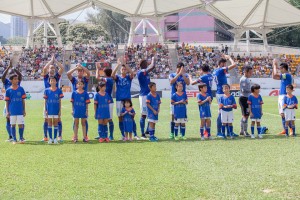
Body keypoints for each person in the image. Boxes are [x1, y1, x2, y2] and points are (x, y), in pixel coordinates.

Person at [112, 57, 139, 140]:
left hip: (127, 100)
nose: (123, 70)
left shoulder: (128, 78)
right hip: (119, 100)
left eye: (124, 69)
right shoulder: (118, 78)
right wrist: (118, 65)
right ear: (120, 70)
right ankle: (123, 135)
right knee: (120, 117)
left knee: (131, 117)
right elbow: (112, 75)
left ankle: (135, 134)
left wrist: (125, 64)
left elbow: (133, 73)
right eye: (122, 69)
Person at [213, 55, 237, 138]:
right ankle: (219, 132)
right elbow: (234, 65)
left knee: (225, 112)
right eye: (224, 64)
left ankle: (228, 132)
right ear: (221, 64)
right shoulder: (220, 70)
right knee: (221, 113)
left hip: (220, 92)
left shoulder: (215, 71)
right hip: (221, 93)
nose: (225, 66)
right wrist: (229, 58)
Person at [42, 55, 64, 142]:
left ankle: (59, 136)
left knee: (58, 118)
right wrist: (51, 62)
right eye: (50, 68)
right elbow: (44, 68)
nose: (51, 69)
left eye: (53, 68)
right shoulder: (46, 76)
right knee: (46, 119)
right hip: (47, 100)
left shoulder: (56, 77)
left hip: (55, 100)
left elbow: (62, 68)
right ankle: (45, 136)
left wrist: (55, 62)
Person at [2, 55, 22, 142]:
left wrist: (14, 68)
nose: (15, 79)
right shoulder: (6, 82)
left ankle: (20, 137)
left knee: (19, 121)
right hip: (8, 104)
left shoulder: (18, 82)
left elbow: (20, 75)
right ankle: (10, 136)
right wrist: (8, 67)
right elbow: (3, 77)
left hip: (17, 104)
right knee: (8, 119)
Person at [67, 64, 91, 138]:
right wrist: (76, 68)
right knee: (75, 121)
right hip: (76, 100)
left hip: (84, 100)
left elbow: (89, 73)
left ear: (83, 72)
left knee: (84, 121)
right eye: (78, 71)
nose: (80, 72)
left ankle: (85, 136)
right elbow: (68, 73)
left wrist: (82, 67)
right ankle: (75, 136)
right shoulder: (74, 80)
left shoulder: (85, 79)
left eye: (81, 71)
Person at [191, 64, 213, 138]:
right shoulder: (211, 75)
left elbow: (192, 83)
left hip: (205, 95)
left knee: (204, 116)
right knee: (207, 116)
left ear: (202, 70)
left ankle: (205, 133)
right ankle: (206, 133)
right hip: (210, 95)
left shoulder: (203, 77)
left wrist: (190, 78)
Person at [169, 62, 190, 139]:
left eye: (182, 68)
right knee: (173, 117)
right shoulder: (172, 75)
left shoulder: (186, 75)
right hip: (174, 99)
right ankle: (172, 133)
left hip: (183, 99)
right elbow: (171, 82)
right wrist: (178, 74)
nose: (180, 69)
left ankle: (182, 134)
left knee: (182, 117)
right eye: (179, 68)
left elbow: (188, 83)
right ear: (176, 68)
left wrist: (183, 74)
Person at [272, 59, 293, 135]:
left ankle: (291, 129)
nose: (279, 70)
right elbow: (274, 77)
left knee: (286, 113)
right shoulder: (284, 76)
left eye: (280, 68)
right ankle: (285, 129)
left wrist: (274, 65)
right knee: (282, 114)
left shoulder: (287, 75)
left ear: (284, 68)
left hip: (284, 96)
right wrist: (273, 66)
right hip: (281, 96)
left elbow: (275, 75)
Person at [137, 57, 155, 139]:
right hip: (143, 95)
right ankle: (142, 133)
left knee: (150, 114)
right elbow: (152, 66)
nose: (147, 64)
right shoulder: (141, 72)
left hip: (148, 95)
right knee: (143, 115)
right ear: (142, 64)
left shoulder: (146, 73)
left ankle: (147, 131)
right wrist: (153, 59)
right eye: (146, 63)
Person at [5, 74, 26, 144]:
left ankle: (21, 138)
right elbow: (7, 102)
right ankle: (14, 139)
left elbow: (23, 100)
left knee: (20, 124)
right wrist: (7, 111)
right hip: (12, 111)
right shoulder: (8, 90)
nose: (17, 80)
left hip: (20, 110)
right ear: (11, 80)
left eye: (17, 79)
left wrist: (24, 109)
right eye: (15, 79)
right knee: (12, 125)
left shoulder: (21, 89)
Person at [96, 65, 114, 140]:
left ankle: (110, 135)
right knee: (104, 118)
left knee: (108, 119)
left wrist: (97, 69)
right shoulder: (111, 79)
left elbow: (97, 77)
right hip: (107, 100)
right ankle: (103, 134)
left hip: (107, 100)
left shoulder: (107, 79)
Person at [44, 77, 64, 144]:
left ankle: (55, 138)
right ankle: (50, 138)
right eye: (51, 81)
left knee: (55, 123)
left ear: (56, 82)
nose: (53, 82)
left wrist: (60, 110)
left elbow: (60, 101)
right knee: (49, 123)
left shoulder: (59, 91)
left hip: (56, 109)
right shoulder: (46, 91)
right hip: (49, 109)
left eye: (54, 81)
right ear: (49, 82)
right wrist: (45, 110)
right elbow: (45, 101)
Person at [239, 66, 253, 137]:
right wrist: (252, 90)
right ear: (246, 72)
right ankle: (245, 131)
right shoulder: (244, 79)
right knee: (246, 115)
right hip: (244, 98)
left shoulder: (246, 79)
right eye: (250, 72)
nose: (251, 73)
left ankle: (242, 130)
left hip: (245, 98)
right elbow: (243, 90)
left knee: (245, 115)